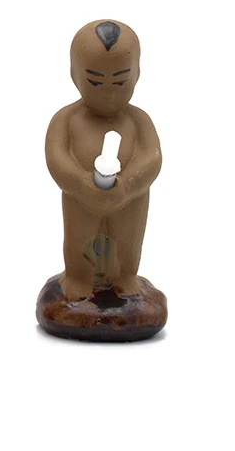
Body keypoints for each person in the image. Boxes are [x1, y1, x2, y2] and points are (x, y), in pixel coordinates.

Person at [45, 20, 162, 300]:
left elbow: (152, 157)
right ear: (74, 73)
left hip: (130, 200)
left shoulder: (138, 120)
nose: (109, 93)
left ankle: (125, 276)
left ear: (137, 73)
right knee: (79, 237)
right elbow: (56, 157)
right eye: (95, 81)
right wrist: (80, 183)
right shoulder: (66, 119)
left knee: (128, 239)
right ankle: (78, 276)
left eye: (120, 81)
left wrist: (129, 185)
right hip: (80, 199)